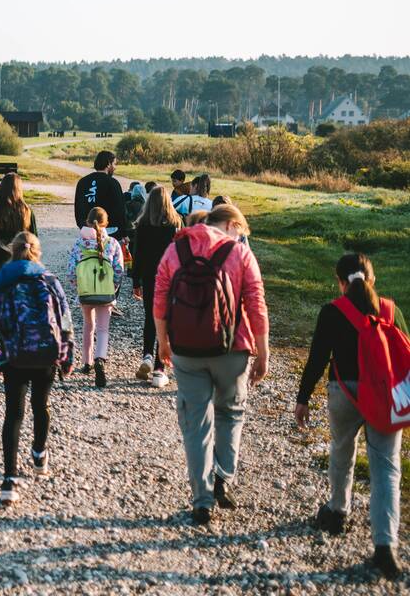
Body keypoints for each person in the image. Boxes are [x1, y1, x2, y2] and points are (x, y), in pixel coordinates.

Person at [154, 203, 269, 525]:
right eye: (241, 231)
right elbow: (256, 304)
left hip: (187, 350)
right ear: (232, 224)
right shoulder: (240, 253)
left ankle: (201, 500)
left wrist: (164, 341)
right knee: (230, 414)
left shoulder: (175, 249)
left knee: (196, 424)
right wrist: (263, 352)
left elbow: (160, 297)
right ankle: (223, 478)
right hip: (233, 350)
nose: (241, 236)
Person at [294, 254, 407, 580]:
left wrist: (303, 399)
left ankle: (338, 512)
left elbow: (317, 357)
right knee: (386, 465)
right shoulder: (391, 310)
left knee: (342, 450)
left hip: (344, 393)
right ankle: (386, 546)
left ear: (342, 282)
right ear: (371, 280)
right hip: (384, 396)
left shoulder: (332, 311)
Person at [0, 232, 74, 504]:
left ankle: (9, 479)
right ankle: (39, 455)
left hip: (15, 354)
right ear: (37, 252)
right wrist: (66, 357)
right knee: (41, 405)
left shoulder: (4, 282)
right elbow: (64, 320)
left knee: (14, 413)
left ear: (13, 251)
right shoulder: (50, 280)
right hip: (46, 354)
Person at [130, 186, 182, 388]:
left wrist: (136, 282)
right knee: (165, 322)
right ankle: (160, 370)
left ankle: (147, 356)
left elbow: (138, 256)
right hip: (170, 280)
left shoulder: (142, 226)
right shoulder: (175, 225)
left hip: (150, 279)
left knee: (150, 318)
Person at [67, 207, 125, 388]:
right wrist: (112, 287)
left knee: (88, 326)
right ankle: (100, 358)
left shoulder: (78, 244)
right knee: (103, 328)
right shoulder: (113, 243)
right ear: (106, 223)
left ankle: (87, 361)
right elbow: (119, 270)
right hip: (106, 292)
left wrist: (80, 286)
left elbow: (71, 272)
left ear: (86, 222)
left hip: (85, 293)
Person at [0, 173, 37, 289]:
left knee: (2, 303)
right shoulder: (27, 212)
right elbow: (34, 243)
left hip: (0, 266)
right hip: (21, 265)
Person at [73, 151, 130, 239]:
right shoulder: (113, 183)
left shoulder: (83, 182)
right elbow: (120, 211)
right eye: (114, 164)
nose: (115, 168)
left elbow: (78, 207)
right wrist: (124, 233)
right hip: (109, 232)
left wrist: (82, 225)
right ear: (108, 164)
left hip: (87, 231)